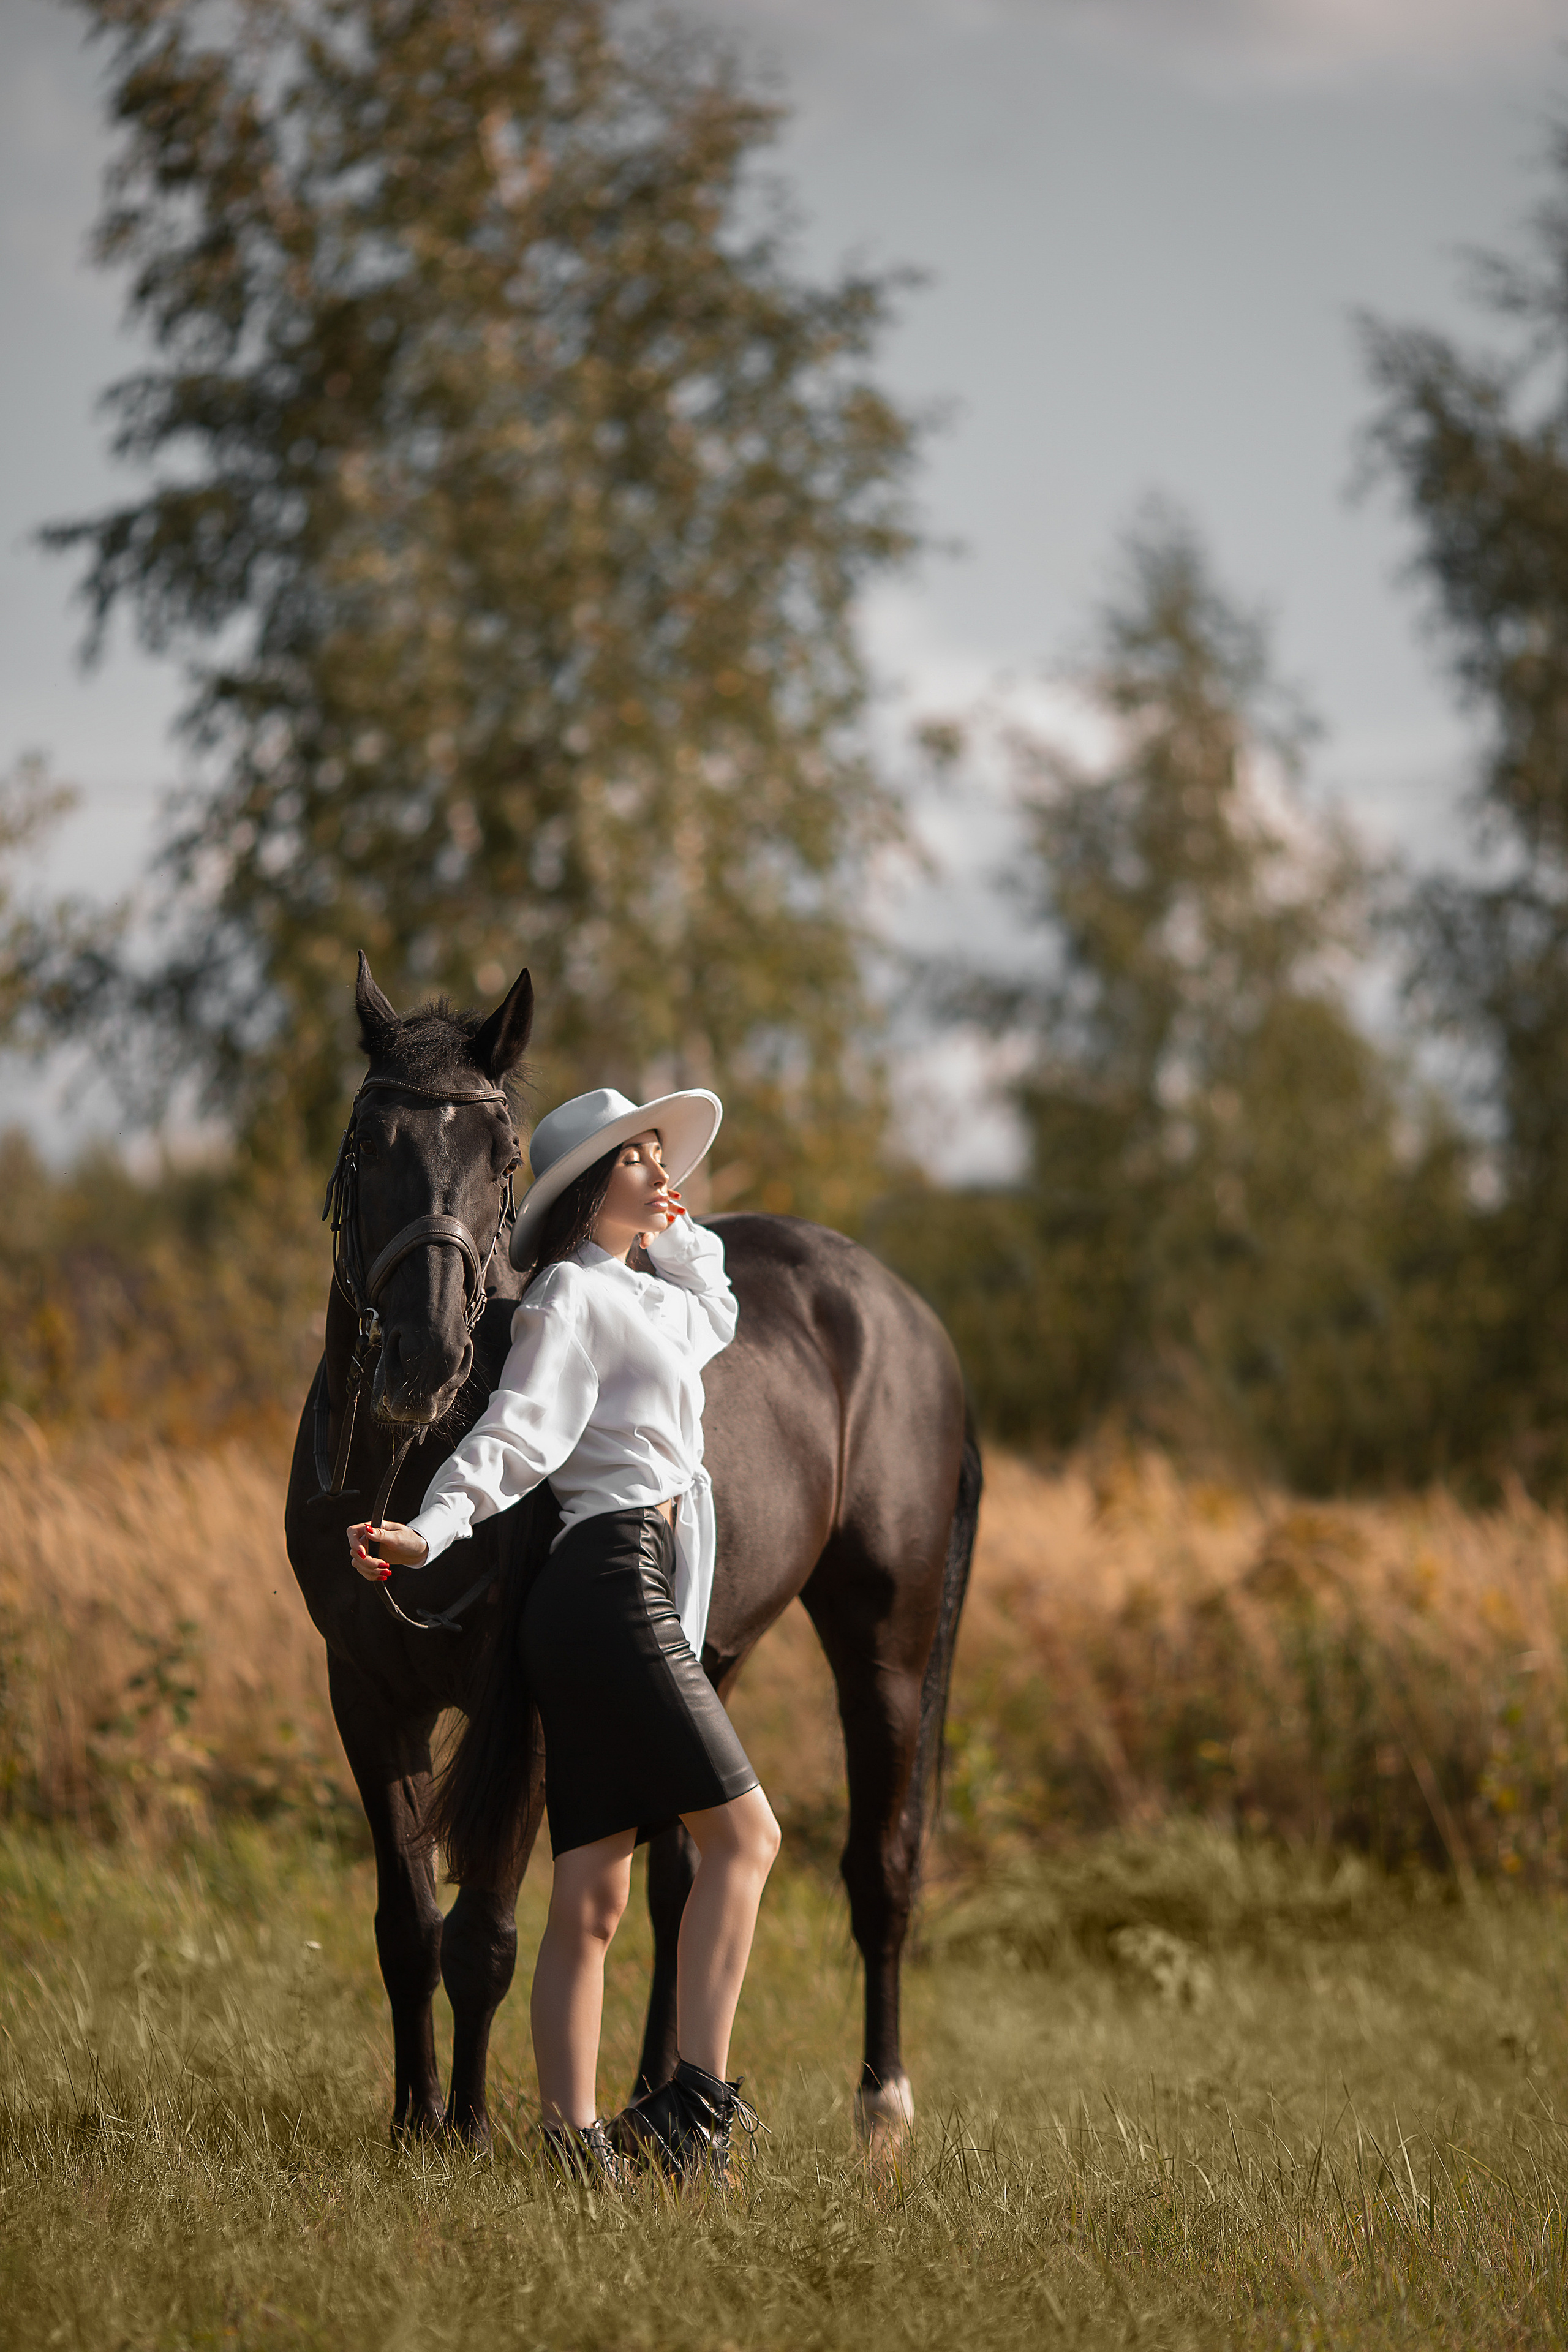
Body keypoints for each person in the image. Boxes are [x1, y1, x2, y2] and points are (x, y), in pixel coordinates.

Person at [347, 1086, 780, 2186]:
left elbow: (719, 1312)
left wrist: (683, 1239)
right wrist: (430, 1529)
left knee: (592, 1895)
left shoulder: (647, 1293)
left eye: (655, 1151)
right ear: (592, 1186)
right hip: (607, 1585)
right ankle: (696, 2110)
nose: (658, 1166)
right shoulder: (567, 1301)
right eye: (635, 1155)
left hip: (625, 1587)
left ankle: (572, 2143)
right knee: (748, 1840)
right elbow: (516, 1437)